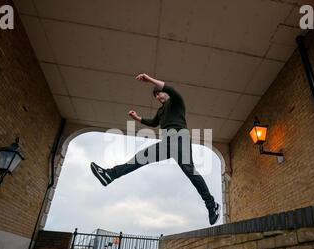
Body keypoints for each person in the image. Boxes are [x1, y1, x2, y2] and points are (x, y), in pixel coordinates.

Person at [90, 73, 220, 225]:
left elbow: (169, 88)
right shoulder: (161, 111)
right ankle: (110, 174)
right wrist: (138, 118)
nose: (158, 97)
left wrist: (149, 79)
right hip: (167, 142)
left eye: (160, 93)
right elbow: (153, 123)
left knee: (189, 171)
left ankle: (211, 205)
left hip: (180, 138)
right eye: (156, 96)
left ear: (166, 93)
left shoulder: (176, 101)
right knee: (141, 157)